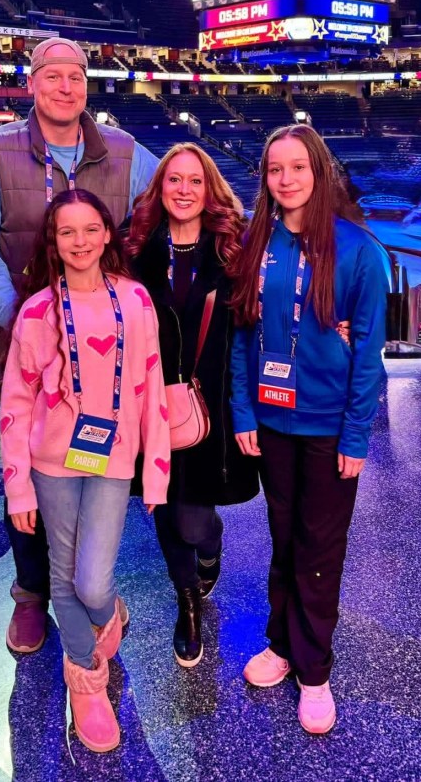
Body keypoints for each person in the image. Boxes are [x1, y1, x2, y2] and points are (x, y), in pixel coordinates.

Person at [0, 36, 159, 655]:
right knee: (24, 464)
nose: (65, 87)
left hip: (105, 354)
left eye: (76, 77)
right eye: (52, 77)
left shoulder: (127, 153)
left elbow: (182, 192)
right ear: (31, 84)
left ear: (87, 85)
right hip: (32, 350)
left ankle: (89, 592)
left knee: (91, 475)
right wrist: (34, 330)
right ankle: (31, 596)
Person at [230, 125, 387, 735]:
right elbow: (245, 335)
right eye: (275, 170)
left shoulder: (358, 250)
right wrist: (244, 412)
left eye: (298, 168)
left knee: (320, 547)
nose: (286, 179)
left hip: (327, 428)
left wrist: (356, 436)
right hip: (271, 421)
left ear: (318, 172)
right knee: (284, 538)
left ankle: (314, 670)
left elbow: (368, 351)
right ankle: (281, 642)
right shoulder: (256, 244)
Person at [0, 188, 169, 753]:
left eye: (90, 229)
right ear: (54, 240)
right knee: (63, 572)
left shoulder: (137, 301)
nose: (79, 241)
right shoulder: (37, 310)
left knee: (92, 580)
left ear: (106, 234)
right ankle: (86, 677)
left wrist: (157, 472)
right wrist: (18, 486)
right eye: (66, 232)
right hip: (51, 462)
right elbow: (16, 405)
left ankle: (110, 609)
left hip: (112, 458)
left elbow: (151, 394)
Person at [127, 143, 260, 667]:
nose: (183, 190)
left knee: (196, 520)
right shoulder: (136, 252)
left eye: (195, 181)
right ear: (160, 189)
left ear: (210, 191)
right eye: (174, 180)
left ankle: (211, 546)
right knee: (165, 508)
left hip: (213, 410)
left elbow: (262, 320)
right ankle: (187, 607)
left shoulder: (233, 250)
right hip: (151, 407)